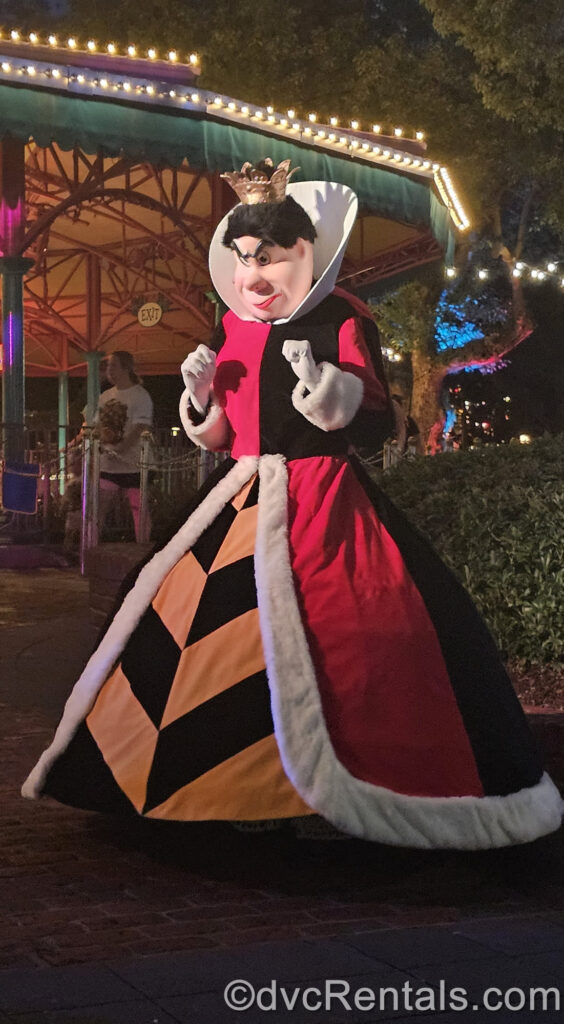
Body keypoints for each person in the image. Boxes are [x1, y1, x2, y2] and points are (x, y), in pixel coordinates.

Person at [22, 160, 562, 849]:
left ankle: (332, 794)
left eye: (270, 257)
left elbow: (373, 421)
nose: (254, 273)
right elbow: (223, 433)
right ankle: (198, 786)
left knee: (354, 630)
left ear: (305, 255)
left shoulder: (342, 317)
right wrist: (198, 400)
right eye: (245, 257)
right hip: (240, 494)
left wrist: (326, 389)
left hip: (324, 496)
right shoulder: (231, 328)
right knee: (180, 619)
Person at [96, 351, 153, 541]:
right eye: (108, 366)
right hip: (109, 464)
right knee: (99, 504)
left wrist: (120, 449)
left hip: (135, 464)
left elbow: (140, 427)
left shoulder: (140, 396)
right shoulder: (105, 396)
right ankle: (92, 545)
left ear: (126, 368)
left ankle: (142, 548)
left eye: (114, 365)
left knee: (139, 508)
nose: (109, 370)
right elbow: (99, 424)